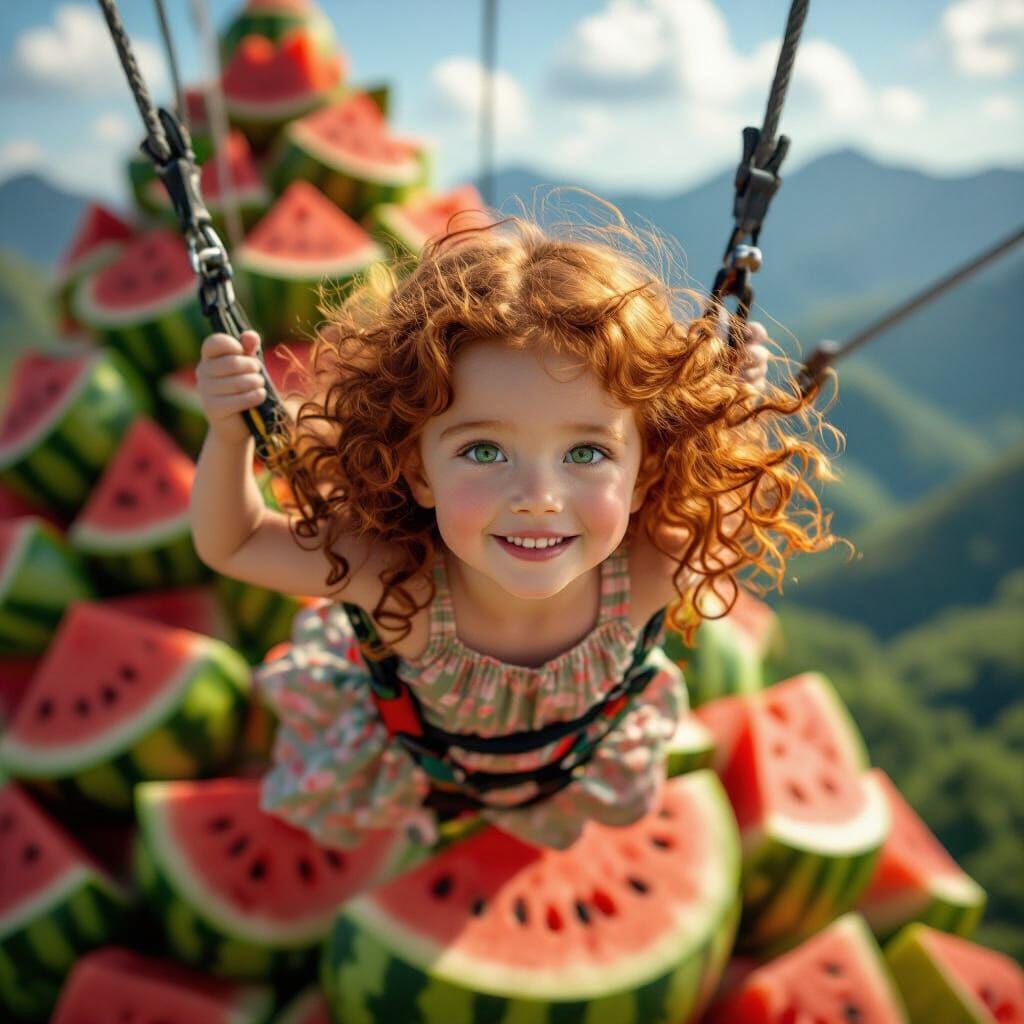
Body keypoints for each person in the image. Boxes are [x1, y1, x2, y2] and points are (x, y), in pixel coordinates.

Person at [190, 196, 841, 851]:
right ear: (418, 471)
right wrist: (228, 433)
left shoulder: (650, 570)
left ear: (645, 474)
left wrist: (737, 410)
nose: (538, 496)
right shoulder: (399, 584)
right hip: (400, 764)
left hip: (568, 770)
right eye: (483, 451)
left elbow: (727, 496)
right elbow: (237, 541)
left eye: (586, 453)